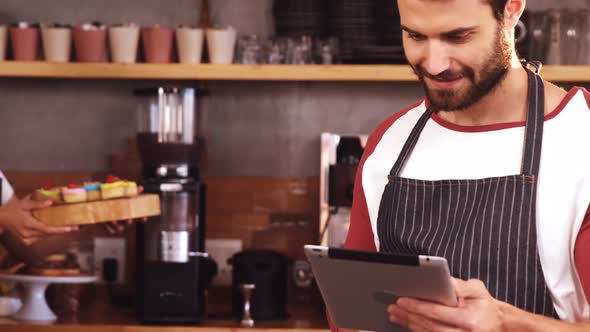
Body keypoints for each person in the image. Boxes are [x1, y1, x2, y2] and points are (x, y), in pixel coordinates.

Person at [343, 0, 590, 330]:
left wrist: (505, 323)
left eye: (458, 36)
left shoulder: (579, 135)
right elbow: (353, 316)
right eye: (415, 36)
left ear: (512, 9)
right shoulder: (389, 142)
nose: (434, 64)